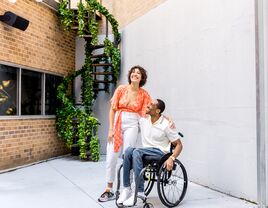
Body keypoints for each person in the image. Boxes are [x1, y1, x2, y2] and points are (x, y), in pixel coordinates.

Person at [98, 66, 152, 202]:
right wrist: (110, 129)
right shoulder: (121, 89)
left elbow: (150, 111)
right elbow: (112, 110)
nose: (135, 74)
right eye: (133, 72)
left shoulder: (144, 94)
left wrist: (165, 118)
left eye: (138, 73)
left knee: (128, 155)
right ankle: (108, 189)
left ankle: (126, 188)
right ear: (130, 75)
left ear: (142, 77)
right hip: (118, 122)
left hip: (133, 124)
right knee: (111, 156)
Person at [117, 99, 183, 206]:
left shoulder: (166, 125)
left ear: (157, 111)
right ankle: (126, 189)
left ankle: (140, 191)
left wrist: (172, 158)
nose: (147, 105)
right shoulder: (144, 120)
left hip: (160, 153)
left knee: (137, 151)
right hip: (145, 151)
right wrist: (167, 116)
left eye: (151, 104)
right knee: (128, 150)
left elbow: (179, 145)